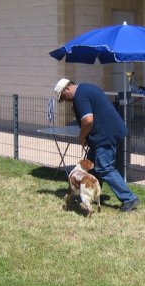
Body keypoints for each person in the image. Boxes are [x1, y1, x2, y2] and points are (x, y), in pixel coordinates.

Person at [54, 78, 139, 212]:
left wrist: (81, 137)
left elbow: (88, 120)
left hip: (105, 135)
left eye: (64, 97)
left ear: (67, 89)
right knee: (91, 166)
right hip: (104, 133)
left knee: (104, 167)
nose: (65, 100)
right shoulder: (85, 88)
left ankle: (129, 198)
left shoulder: (79, 96)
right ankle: (90, 193)